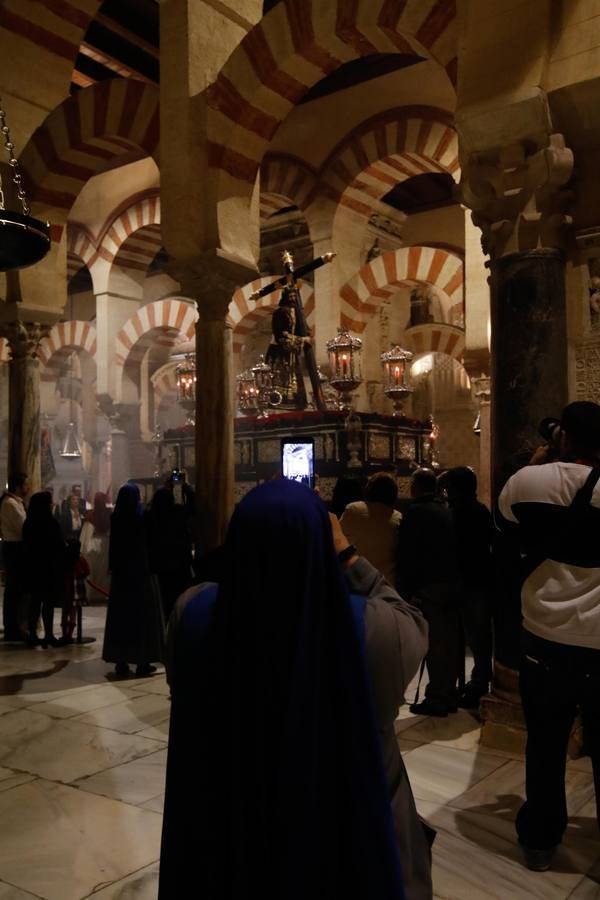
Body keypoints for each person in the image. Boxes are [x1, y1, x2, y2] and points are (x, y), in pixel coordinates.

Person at [160, 479, 432, 900]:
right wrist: (347, 553)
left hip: (229, 828)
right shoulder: (372, 629)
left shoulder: (192, 614)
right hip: (345, 836)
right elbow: (411, 622)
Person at [497, 400, 600, 872]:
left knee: (544, 744)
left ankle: (540, 838)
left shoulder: (526, 484)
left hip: (544, 640)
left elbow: (505, 523)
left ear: (563, 438)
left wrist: (538, 465)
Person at [397, 468, 462, 717]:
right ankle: (449, 693)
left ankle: (437, 698)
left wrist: (408, 589)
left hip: (430, 586)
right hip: (451, 583)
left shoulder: (414, 513)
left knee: (435, 644)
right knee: (450, 641)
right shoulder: (445, 511)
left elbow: (409, 554)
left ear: (415, 486)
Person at [440, 466, 494, 708]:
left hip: (466, 581)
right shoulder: (481, 511)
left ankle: (476, 683)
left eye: (449, 486)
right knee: (478, 636)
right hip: (479, 579)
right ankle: (477, 680)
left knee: (472, 635)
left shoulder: (454, 513)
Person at [102, 482, 165, 677]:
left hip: (122, 576)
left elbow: (114, 546)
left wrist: (112, 566)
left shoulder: (117, 517)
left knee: (121, 619)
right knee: (143, 618)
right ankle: (143, 662)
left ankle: (121, 661)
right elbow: (153, 540)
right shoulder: (142, 515)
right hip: (141, 573)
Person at [340, 471, 402, 585]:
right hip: (386, 584)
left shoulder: (353, 509)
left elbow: (338, 540)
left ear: (369, 489)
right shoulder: (398, 518)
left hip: (355, 582)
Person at [22, 491, 67, 647]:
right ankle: (48, 634)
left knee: (34, 602)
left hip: (33, 568)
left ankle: (32, 634)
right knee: (48, 602)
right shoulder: (51, 523)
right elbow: (59, 545)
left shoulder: (28, 523)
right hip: (48, 569)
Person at [145, 486, 193, 621]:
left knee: (162, 602)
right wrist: (184, 488)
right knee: (178, 601)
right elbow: (191, 507)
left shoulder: (150, 518)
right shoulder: (178, 514)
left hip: (159, 567)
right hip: (179, 567)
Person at [265, 284, 311, 408]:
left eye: (294, 296)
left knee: (295, 377)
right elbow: (280, 335)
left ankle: (296, 402)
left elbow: (300, 331)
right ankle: (279, 402)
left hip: (291, 354)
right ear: (285, 297)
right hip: (279, 351)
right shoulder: (279, 312)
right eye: (290, 296)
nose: (292, 298)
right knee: (280, 377)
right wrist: (301, 340)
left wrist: (303, 335)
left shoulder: (296, 313)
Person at [0, 472, 29, 641]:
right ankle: (11, 627)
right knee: (13, 590)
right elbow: (22, 527)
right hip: (14, 548)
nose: (27, 488)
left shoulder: (16, 502)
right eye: (25, 485)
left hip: (17, 547)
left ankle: (16, 625)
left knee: (17, 589)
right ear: (18, 486)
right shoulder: (9, 504)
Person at [80, 492, 111, 601]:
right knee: (102, 572)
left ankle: (95, 594)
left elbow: (85, 536)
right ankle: (102, 594)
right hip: (106, 545)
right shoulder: (109, 515)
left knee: (95, 571)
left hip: (93, 545)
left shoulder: (91, 515)